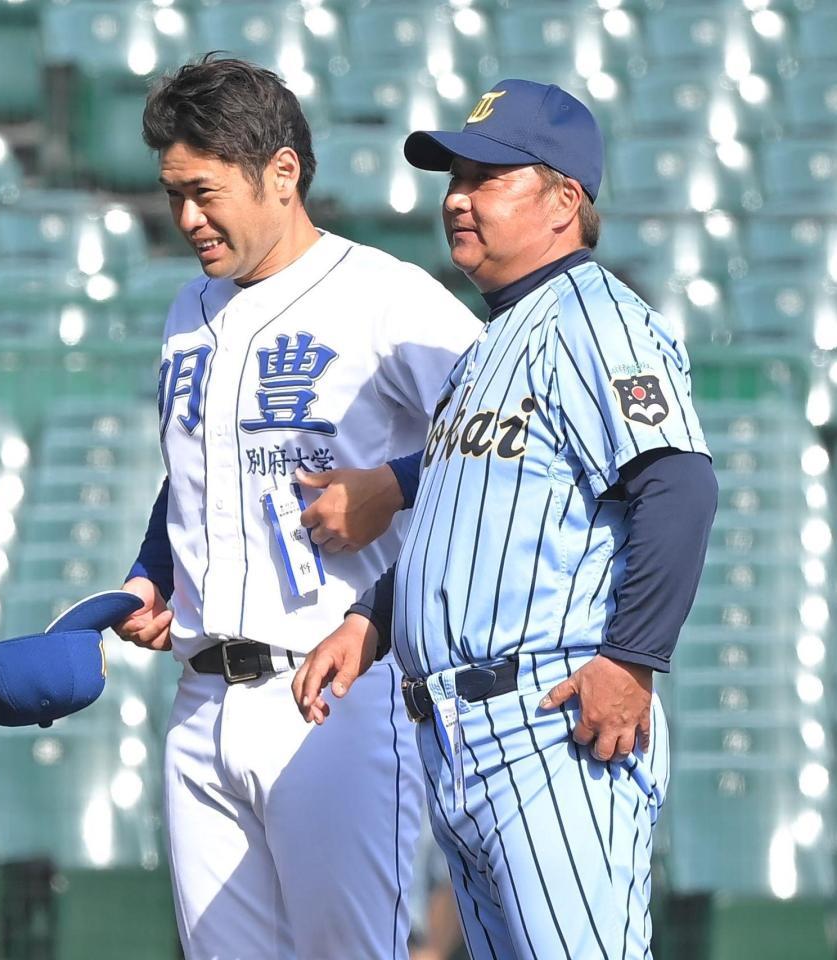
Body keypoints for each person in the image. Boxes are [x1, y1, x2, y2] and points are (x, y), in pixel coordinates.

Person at [294, 79, 718, 960]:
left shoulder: (598, 320)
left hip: (551, 719)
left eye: (487, 176)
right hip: (458, 734)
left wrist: (631, 662)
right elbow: (470, 518)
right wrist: (372, 618)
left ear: (563, 200)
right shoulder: (488, 347)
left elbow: (678, 484)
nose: (457, 195)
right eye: (455, 175)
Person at [111, 54, 481, 960]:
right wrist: (150, 572)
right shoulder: (186, 309)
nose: (188, 217)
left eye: (204, 191)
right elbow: (194, 469)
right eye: (173, 195)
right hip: (200, 701)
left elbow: (514, 439)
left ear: (282, 173)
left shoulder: (384, 296)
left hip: (332, 693)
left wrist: (394, 480)